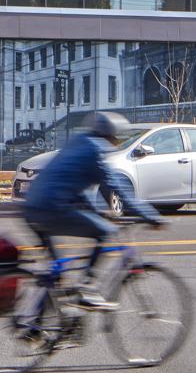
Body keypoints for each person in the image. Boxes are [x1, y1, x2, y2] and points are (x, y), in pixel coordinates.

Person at [21, 111, 163, 317]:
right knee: (105, 232)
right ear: (110, 135)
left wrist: (98, 212)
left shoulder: (80, 142)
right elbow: (117, 187)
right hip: (51, 208)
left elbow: (77, 187)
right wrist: (151, 216)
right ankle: (87, 287)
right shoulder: (96, 150)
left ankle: (34, 327)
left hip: (32, 206)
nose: (115, 143)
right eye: (116, 139)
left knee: (56, 273)